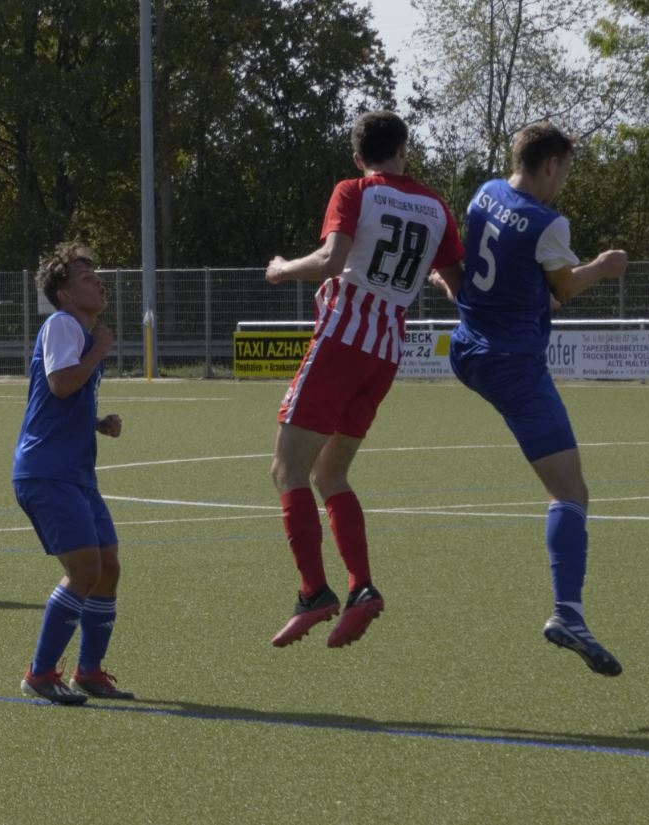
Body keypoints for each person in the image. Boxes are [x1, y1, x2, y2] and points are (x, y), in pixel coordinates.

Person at [431, 122, 627, 677]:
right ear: (549, 164)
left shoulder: (485, 193)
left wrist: (535, 295)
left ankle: (570, 613)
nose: (564, 181)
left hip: (467, 347)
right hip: (512, 363)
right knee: (570, 490)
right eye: (565, 171)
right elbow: (564, 287)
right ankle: (569, 614)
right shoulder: (549, 222)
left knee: (566, 485)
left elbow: (498, 270)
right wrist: (604, 266)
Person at [262, 111, 464, 649]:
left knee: (287, 469)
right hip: (386, 350)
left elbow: (332, 260)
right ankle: (361, 587)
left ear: (358, 158)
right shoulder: (436, 206)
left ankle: (313, 592)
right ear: (404, 150)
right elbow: (457, 283)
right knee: (331, 473)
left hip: (343, 338)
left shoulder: (354, 190)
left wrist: (282, 268)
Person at [12, 242, 131, 705]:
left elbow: (59, 397)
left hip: (74, 471)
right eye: (85, 277)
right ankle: (39, 674)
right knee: (85, 569)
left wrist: (97, 422)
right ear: (64, 294)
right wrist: (100, 349)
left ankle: (89, 671)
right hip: (47, 470)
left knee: (107, 566)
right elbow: (62, 384)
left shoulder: (76, 331)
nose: (98, 282)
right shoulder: (63, 324)